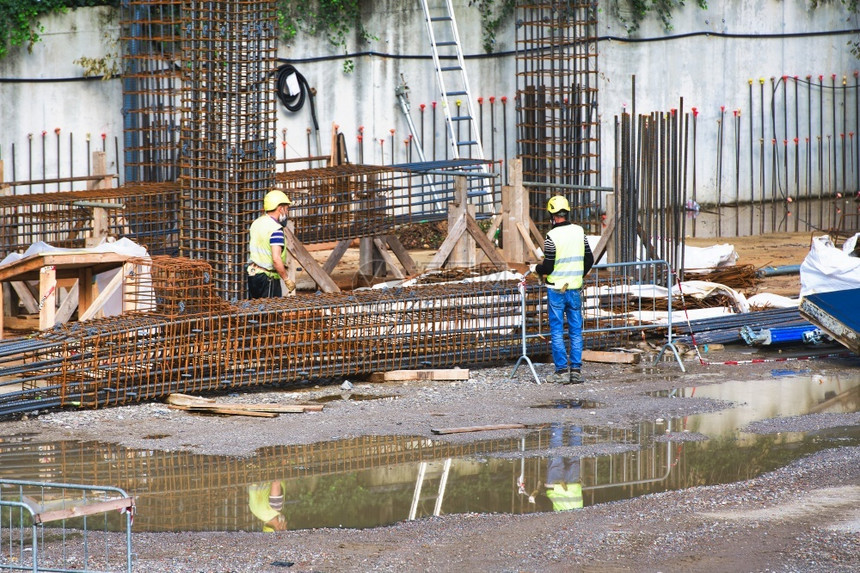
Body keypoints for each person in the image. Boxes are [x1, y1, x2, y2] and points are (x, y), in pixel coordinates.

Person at [531, 195, 594, 384]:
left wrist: (536, 269)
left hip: (556, 290)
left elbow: (548, 267)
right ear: (566, 212)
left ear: (552, 215)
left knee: (557, 330)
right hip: (574, 288)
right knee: (575, 330)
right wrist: (577, 275)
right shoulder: (579, 231)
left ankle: (561, 372)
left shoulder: (552, 236)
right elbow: (589, 259)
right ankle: (576, 370)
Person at [247, 190, 296, 298]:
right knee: (270, 314)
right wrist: (287, 279)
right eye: (286, 209)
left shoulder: (257, 223)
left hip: (253, 274)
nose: (287, 213)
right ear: (280, 208)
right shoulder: (276, 229)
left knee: (255, 312)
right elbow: (276, 259)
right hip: (268, 278)